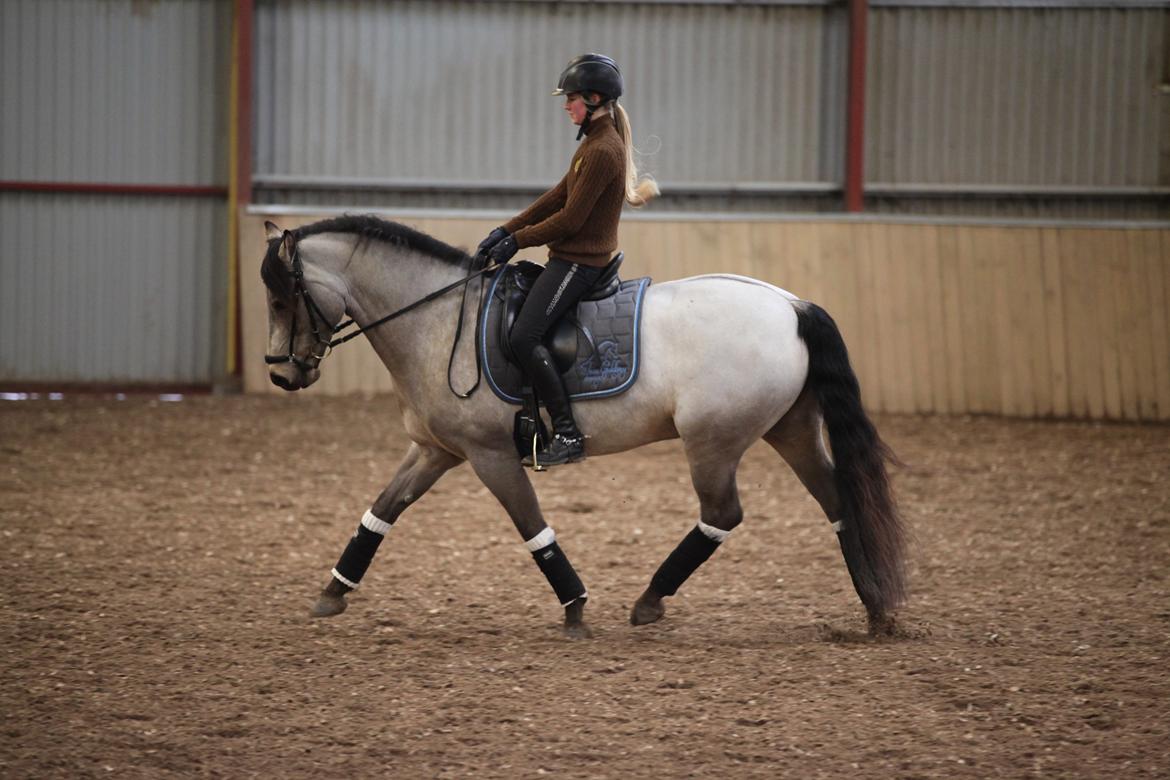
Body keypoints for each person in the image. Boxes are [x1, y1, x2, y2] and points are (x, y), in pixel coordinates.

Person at [477, 53, 659, 467]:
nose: (566, 106)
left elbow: (570, 218)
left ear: (594, 100)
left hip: (581, 263)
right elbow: (556, 197)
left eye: (571, 98)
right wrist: (505, 231)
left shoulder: (603, 150)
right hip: (568, 258)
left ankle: (567, 432)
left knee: (524, 336)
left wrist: (518, 241)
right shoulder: (593, 145)